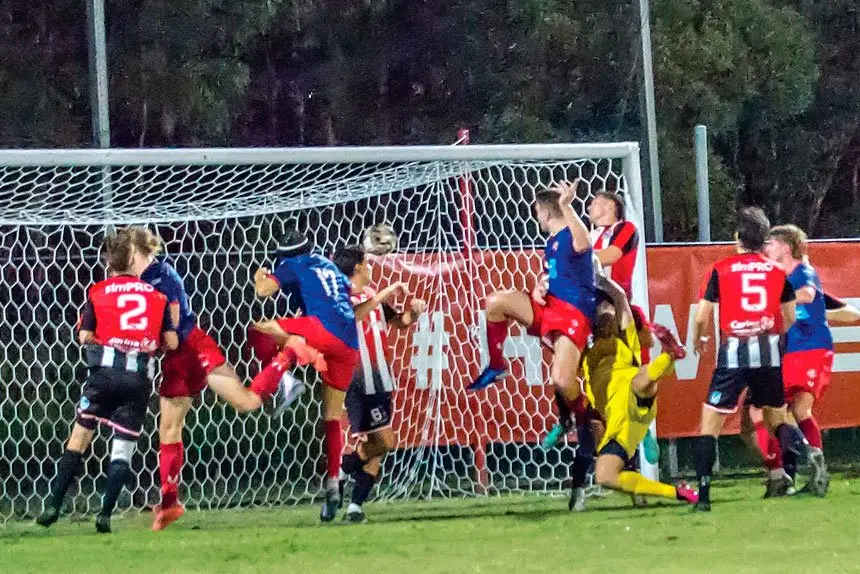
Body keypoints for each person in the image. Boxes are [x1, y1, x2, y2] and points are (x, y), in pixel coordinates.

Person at [125, 226, 274, 531]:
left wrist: (146, 345)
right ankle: (168, 505)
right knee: (170, 428)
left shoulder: (160, 277)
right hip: (182, 352)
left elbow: (175, 330)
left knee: (242, 404)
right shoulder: (147, 277)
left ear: (134, 250)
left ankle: (285, 362)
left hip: (188, 349)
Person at [37, 230, 178, 533]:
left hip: (102, 377)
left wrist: (105, 340)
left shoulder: (98, 292)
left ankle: (52, 506)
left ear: (108, 263)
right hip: (137, 379)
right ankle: (104, 515)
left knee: (78, 439)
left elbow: (84, 335)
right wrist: (148, 343)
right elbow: (172, 341)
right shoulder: (158, 297)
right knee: (122, 450)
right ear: (132, 260)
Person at [690, 207, 803, 511]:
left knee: (710, 424)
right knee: (776, 419)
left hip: (733, 356)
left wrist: (698, 339)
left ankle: (703, 496)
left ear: (738, 236)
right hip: (769, 356)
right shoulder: (778, 272)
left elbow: (702, 316)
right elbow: (790, 319)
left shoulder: (721, 269)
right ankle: (786, 471)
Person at [249, 229, 360, 522]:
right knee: (332, 416)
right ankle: (334, 484)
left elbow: (264, 291)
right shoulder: (329, 265)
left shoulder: (292, 264)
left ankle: (286, 380)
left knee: (261, 328)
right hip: (350, 343)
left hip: (324, 329)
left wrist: (260, 275)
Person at [568, 274, 697, 511]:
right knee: (605, 476)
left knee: (641, 379)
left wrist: (599, 279)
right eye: (599, 312)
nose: (604, 315)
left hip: (631, 393)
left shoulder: (625, 338)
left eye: (607, 311)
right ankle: (678, 492)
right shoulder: (583, 352)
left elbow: (619, 299)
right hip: (621, 424)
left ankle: (670, 355)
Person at [468, 179, 595, 421]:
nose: (537, 217)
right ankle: (497, 366)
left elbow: (583, 244)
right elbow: (555, 273)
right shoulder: (552, 243)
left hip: (574, 314)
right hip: (550, 307)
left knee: (561, 380)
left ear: (546, 213)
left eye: (537, 212)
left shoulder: (572, 232)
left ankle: (587, 419)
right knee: (495, 302)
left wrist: (567, 206)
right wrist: (540, 286)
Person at [332, 245, 425, 523]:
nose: (371, 268)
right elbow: (355, 316)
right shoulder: (341, 297)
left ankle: (354, 508)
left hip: (382, 379)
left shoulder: (372, 295)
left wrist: (414, 314)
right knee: (385, 441)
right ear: (358, 268)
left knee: (377, 447)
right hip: (360, 381)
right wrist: (386, 291)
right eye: (367, 263)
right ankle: (337, 477)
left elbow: (397, 321)